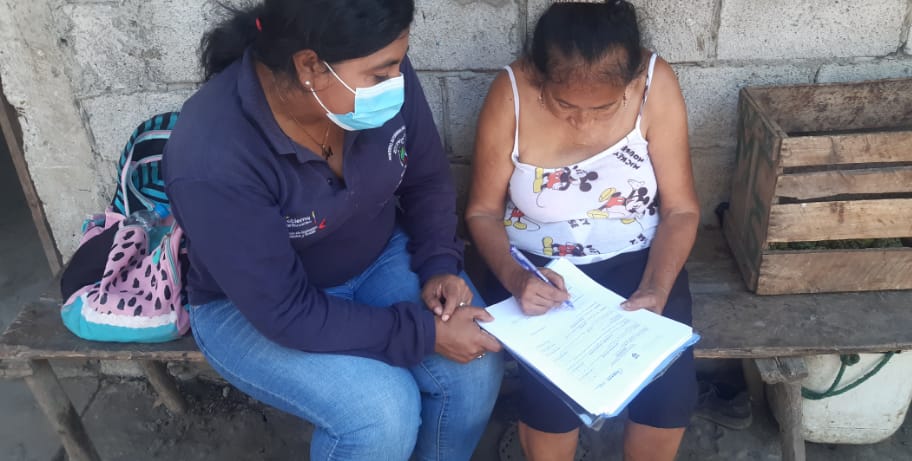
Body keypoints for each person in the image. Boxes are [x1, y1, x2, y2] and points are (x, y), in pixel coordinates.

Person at [162, 1, 503, 460]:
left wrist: (440, 262)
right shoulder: (213, 156)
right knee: (380, 414)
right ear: (309, 67)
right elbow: (286, 312)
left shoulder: (372, 76)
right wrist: (422, 332)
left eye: (397, 65)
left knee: (474, 369)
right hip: (253, 311)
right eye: (381, 74)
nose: (396, 82)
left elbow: (427, 179)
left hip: (377, 255)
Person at [464, 1, 699, 459]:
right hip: (537, 270)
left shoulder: (655, 84)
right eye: (565, 104)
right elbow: (481, 213)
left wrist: (656, 288)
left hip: (639, 262)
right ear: (539, 78)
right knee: (549, 402)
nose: (583, 121)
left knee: (667, 397)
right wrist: (516, 278)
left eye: (604, 107)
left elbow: (682, 211)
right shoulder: (511, 93)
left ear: (631, 83)